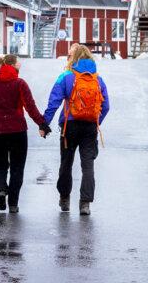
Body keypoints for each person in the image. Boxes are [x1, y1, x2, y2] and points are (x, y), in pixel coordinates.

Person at [43, 44, 110, 216]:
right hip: (89, 127)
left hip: (69, 126)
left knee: (66, 163)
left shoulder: (66, 76)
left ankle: (65, 199)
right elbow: (106, 106)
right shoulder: (97, 79)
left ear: (74, 58)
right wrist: (96, 121)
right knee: (88, 166)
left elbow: (54, 101)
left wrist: (45, 123)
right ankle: (85, 204)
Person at [0, 54, 51, 213]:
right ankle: (13, 204)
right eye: (18, 61)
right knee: (17, 168)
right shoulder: (20, 84)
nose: (21, 63)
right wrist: (42, 123)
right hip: (18, 131)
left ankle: (1, 190)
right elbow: (30, 107)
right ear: (13, 65)